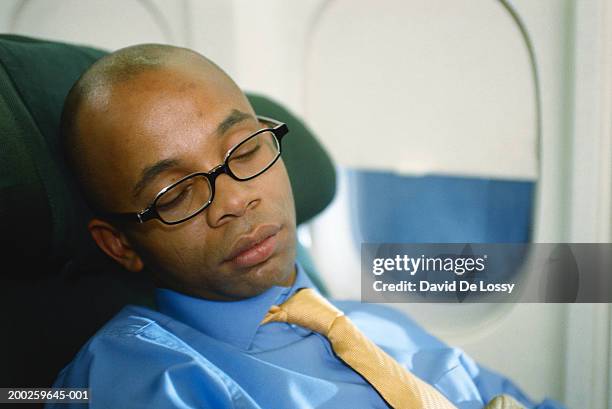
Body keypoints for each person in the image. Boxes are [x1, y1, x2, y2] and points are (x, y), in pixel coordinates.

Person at [48, 44, 564, 409]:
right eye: (176, 193)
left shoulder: (380, 326)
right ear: (119, 245)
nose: (234, 199)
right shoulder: (141, 376)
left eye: (245, 149)